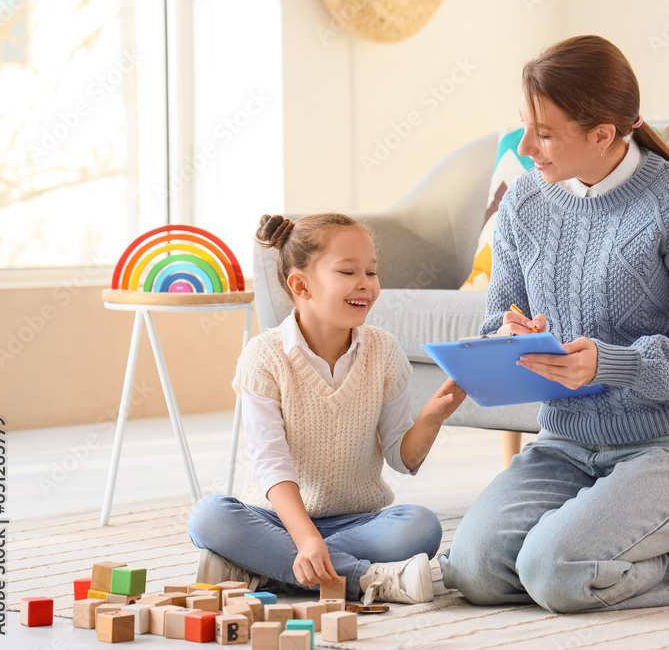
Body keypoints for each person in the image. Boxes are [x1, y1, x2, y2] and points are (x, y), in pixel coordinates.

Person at [437, 35, 669, 613]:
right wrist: (507, 341)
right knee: (474, 571)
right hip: (565, 444)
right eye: (524, 126)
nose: (525, 147)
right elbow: (495, 322)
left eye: (545, 134)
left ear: (603, 134)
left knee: (553, 573)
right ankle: (610, 543)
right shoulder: (523, 202)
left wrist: (612, 363)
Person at [188, 213, 466, 604]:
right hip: (277, 519)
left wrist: (432, 417)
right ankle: (365, 577)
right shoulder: (263, 357)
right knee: (208, 516)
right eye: (348, 272)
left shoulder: (385, 352)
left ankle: (262, 569)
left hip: (356, 522)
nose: (365, 283)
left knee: (421, 526)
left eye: (371, 272)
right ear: (301, 285)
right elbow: (271, 465)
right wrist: (304, 538)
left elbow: (401, 459)